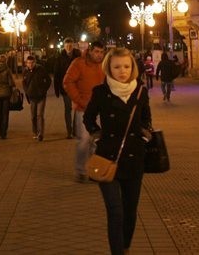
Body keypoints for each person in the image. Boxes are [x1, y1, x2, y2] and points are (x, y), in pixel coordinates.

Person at [84, 47, 152, 255]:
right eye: (117, 67)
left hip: (133, 158)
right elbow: (88, 118)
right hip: (108, 158)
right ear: (109, 68)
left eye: (126, 66)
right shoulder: (101, 92)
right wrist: (97, 134)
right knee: (116, 212)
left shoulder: (140, 90)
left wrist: (145, 131)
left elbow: (146, 117)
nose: (122, 71)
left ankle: (126, 248)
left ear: (132, 67)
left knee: (130, 212)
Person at [63, 40, 106, 182]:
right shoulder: (79, 63)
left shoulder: (104, 65)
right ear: (90, 50)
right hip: (84, 109)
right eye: (97, 52)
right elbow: (67, 82)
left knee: (97, 141)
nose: (99, 55)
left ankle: (94, 170)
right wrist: (79, 100)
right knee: (84, 141)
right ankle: (81, 170)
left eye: (101, 52)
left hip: (101, 109)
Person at [53, 38, 81, 138]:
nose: (69, 47)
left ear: (73, 46)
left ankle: (75, 130)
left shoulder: (78, 56)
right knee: (68, 109)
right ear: (64, 46)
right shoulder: (60, 58)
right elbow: (57, 74)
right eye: (67, 46)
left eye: (70, 45)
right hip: (65, 89)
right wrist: (56, 89)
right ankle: (69, 131)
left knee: (77, 109)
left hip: (77, 88)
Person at [22, 55, 52, 141]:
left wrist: (43, 90)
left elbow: (48, 80)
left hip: (41, 96)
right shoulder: (25, 71)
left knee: (40, 115)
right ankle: (35, 131)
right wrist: (27, 91)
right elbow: (24, 83)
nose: (30, 64)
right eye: (28, 63)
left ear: (35, 62)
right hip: (32, 96)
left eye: (32, 63)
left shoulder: (41, 69)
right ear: (26, 63)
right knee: (33, 116)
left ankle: (40, 134)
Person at [0, 54, 14, 139]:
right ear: (5, 61)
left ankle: (0, 130)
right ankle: (4, 132)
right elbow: (11, 82)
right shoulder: (7, 69)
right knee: (5, 113)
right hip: (6, 92)